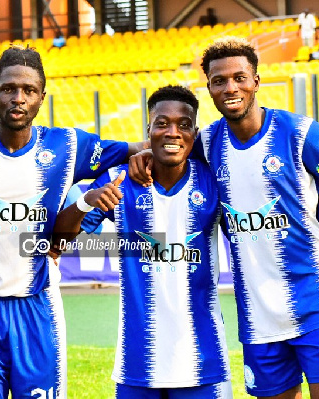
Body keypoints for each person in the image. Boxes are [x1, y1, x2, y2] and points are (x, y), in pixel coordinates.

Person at [130, 36, 319, 398]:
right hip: (256, 315)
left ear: (256, 81)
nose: (230, 87)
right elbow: (165, 145)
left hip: (316, 303)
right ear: (209, 88)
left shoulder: (300, 134)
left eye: (239, 77)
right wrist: (137, 156)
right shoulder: (206, 145)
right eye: (219, 81)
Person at [0, 45, 147, 398]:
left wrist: (156, 154)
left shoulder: (69, 146)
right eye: (8, 89)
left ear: (42, 98)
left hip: (38, 307)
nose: (18, 98)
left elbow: (138, 149)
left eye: (29, 90)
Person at [52, 85, 233, 398]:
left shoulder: (215, 180)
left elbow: (255, 233)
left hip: (203, 362)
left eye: (183, 125)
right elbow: (56, 243)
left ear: (195, 133)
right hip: (138, 365)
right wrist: (86, 202)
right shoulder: (119, 181)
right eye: (162, 124)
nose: (172, 133)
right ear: (148, 130)